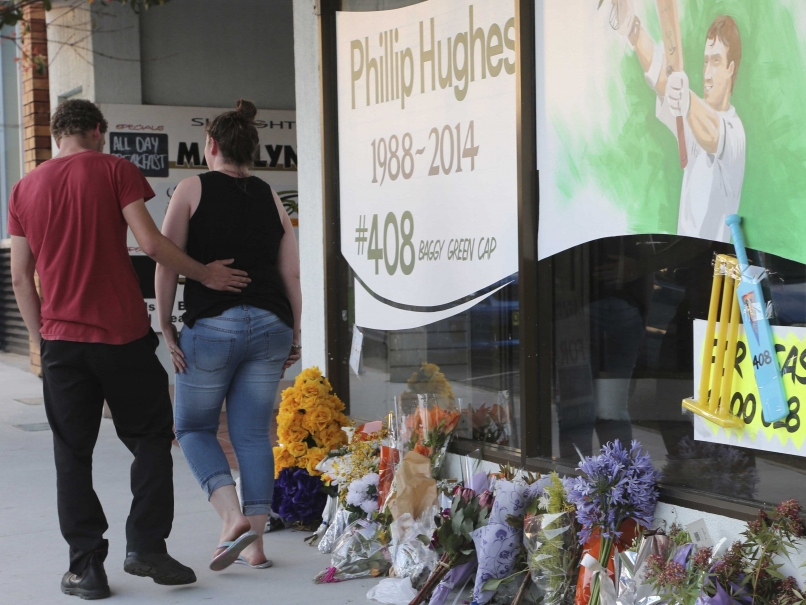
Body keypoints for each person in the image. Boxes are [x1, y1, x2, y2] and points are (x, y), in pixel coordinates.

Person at [9, 100, 251, 599]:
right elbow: (152, 243)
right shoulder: (116, 169)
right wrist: (205, 274)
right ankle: (146, 546)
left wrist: (42, 341)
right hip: (122, 337)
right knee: (151, 439)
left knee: (72, 455)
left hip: (62, 344)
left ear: (56, 136)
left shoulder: (24, 188)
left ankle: (86, 570)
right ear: (98, 130)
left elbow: (19, 276)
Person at [155, 99, 302, 572]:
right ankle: (255, 547)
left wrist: (166, 324)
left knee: (192, 428)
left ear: (212, 145)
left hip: (214, 325)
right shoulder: (270, 195)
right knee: (254, 434)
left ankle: (231, 517)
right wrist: (295, 333)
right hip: (272, 324)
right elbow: (291, 273)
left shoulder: (191, 188)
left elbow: (167, 261)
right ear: (251, 150)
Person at [613, 1, 745, 242]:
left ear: (731, 68)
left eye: (716, 61)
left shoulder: (735, 133)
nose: (707, 74)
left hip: (713, 260)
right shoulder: (693, 117)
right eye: (705, 61)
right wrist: (632, 28)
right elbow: (662, 77)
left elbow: (712, 134)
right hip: (683, 255)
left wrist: (685, 96)